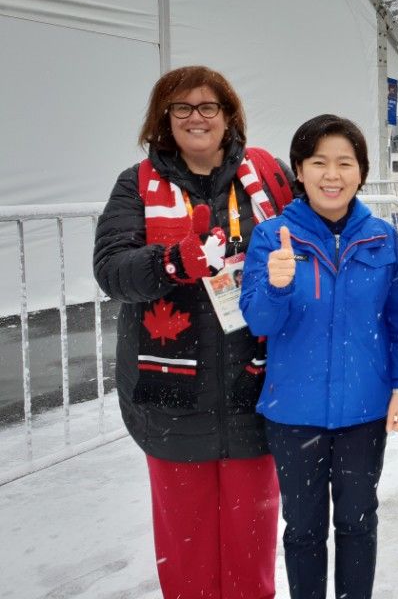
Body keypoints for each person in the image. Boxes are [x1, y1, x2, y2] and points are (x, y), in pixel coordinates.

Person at [93, 65, 294, 598]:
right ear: (164, 118)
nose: (196, 117)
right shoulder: (135, 184)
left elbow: (317, 235)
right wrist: (170, 262)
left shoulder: (268, 176)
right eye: (181, 108)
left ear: (229, 116)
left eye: (209, 107)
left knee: (252, 552)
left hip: (258, 386)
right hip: (170, 397)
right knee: (187, 557)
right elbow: (112, 269)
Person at [239, 114, 398, 599]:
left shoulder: (381, 237)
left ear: (360, 172)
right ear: (299, 169)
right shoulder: (272, 237)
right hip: (294, 413)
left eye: (344, 163)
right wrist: (276, 283)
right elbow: (260, 324)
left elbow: (395, 323)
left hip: (364, 410)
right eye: (319, 162)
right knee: (304, 528)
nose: (331, 175)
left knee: (358, 521)